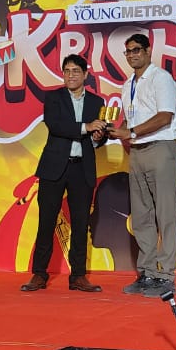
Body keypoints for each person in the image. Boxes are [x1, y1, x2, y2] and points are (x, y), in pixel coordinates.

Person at [21, 53, 108, 293]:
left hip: (82, 168)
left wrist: (98, 136)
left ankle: (78, 276)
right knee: (46, 221)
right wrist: (86, 127)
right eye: (67, 71)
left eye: (76, 71)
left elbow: (100, 136)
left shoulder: (97, 102)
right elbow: (56, 125)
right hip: (54, 167)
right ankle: (39, 274)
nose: (71, 75)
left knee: (81, 224)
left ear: (85, 75)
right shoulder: (53, 98)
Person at [107, 32, 176, 297]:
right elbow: (130, 121)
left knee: (165, 214)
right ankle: (148, 273)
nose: (132, 55)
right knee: (141, 216)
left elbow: (164, 116)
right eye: (128, 51)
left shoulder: (161, 78)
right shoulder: (127, 85)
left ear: (149, 51)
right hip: (136, 151)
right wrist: (111, 131)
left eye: (137, 50)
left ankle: (166, 275)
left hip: (160, 148)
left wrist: (130, 132)